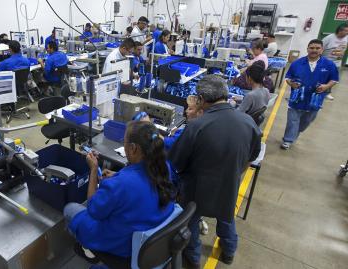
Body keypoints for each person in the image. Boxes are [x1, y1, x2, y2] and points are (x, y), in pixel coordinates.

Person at [169, 75, 262, 268]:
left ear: (201, 99)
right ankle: (229, 252)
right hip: (229, 185)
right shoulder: (248, 122)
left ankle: (193, 258)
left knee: (191, 223)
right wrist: (234, 173)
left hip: (196, 190)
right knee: (226, 219)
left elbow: (177, 162)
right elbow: (252, 156)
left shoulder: (196, 126)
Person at [64, 120, 176, 258]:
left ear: (133, 148)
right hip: (153, 239)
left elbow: (93, 210)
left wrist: (93, 170)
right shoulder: (164, 167)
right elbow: (139, 182)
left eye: (125, 141)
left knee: (70, 209)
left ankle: (90, 249)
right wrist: (118, 176)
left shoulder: (120, 184)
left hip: (125, 245)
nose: (124, 144)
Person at [280, 39, 339, 150]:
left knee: (306, 122)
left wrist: (326, 87)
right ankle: (287, 140)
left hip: (314, 101)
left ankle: (294, 134)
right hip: (296, 100)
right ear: (307, 49)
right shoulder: (297, 63)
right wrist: (292, 84)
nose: (314, 50)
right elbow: (288, 78)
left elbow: (334, 80)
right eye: (312, 48)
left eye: (317, 48)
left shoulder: (329, 65)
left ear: (322, 50)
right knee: (293, 121)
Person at [322, 23, 348, 100]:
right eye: (346, 31)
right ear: (340, 30)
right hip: (326, 62)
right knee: (323, 78)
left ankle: (327, 93)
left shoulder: (346, 38)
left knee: (333, 79)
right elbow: (320, 48)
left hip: (337, 62)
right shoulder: (329, 38)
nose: (347, 33)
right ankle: (319, 91)